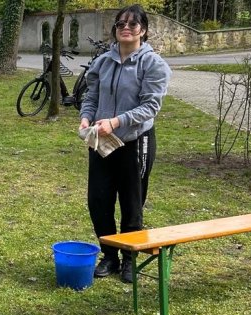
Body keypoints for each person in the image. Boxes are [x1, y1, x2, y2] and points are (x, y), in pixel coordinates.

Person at [78, 5, 171, 283]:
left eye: (132, 24)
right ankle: (110, 256)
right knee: (98, 200)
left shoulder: (153, 64)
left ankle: (130, 259)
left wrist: (116, 122)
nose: (126, 28)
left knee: (132, 202)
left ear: (143, 30)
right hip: (103, 140)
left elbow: (150, 107)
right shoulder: (103, 62)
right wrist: (86, 117)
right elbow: (92, 96)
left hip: (135, 141)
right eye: (120, 24)